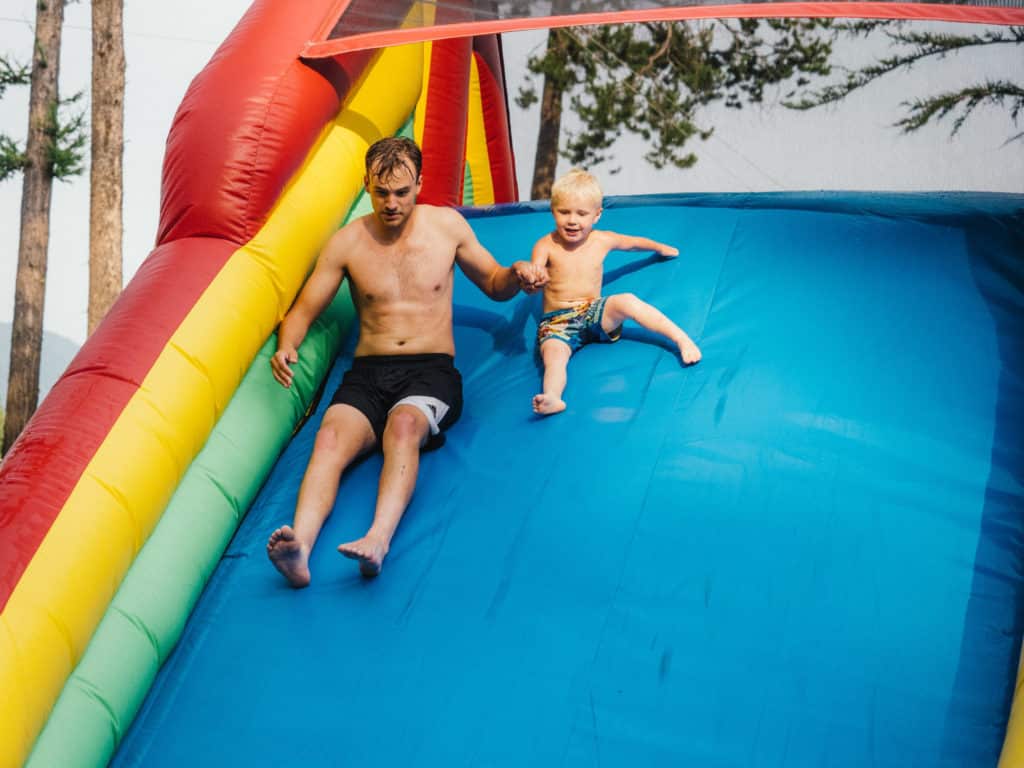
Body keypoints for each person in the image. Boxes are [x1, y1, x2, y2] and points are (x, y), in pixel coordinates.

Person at [267, 137, 544, 583]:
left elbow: (495, 283)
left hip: (430, 372)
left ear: (419, 184)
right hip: (367, 374)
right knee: (330, 438)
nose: (391, 203)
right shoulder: (347, 243)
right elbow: (303, 311)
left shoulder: (447, 228)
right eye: (381, 193)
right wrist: (287, 345)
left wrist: (516, 272)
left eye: (401, 192)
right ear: (367, 185)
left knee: (403, 427)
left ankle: (377, 539)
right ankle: (299, 548)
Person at [530, 168, 702, 416]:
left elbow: (633, 243)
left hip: (592, 311)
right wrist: (535, 276)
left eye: (581, 213)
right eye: (564, 212)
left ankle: (681, 339)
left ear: (597, 215)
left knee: (627, 301)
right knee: (554, 356)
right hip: (556, 322)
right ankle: (553, 397)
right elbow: (535, 270)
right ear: (552, 210)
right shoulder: (546, 245)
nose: (572, 220)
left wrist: (659, 247)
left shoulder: (603, 240)